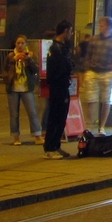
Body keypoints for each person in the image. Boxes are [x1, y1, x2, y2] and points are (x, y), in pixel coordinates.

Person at [84, 17, 112, 136]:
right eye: (100, 25)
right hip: (93, 71)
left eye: (103, 25)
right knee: (91, 99)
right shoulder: (94, 39)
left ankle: (102, 126)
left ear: (109, 27)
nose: (101, 27)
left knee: (105, 100)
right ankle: (89, 125)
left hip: (106, 71)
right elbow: (88, 55)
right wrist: (87, 68)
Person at [3, 35, 44, 146]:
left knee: (32, 112)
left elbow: (36, 70)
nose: (20, 45)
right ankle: (16, 137)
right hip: (13, 88)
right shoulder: (11, 56)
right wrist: (13, 61)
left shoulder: (30, 55)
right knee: (14, 114)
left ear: (26, 44)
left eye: (22, 43)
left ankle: (37, 135)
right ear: (15, 45)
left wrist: (29, 60)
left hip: (26, 87)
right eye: (18, 43)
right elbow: (5, 71)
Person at [43, 20, 74, 159]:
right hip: (58, 87)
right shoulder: (57, 49)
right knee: (56, 117)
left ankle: (55, 145)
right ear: (66, 31)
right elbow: (61, 68)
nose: (71, 34)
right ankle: (50, 148)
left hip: (61, 86)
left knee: (61, 117)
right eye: (71, 31)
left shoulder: (60, 47)